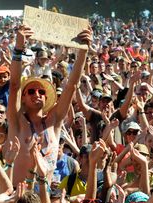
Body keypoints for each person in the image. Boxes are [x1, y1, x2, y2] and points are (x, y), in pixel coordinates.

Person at [7, 26, 92, 185]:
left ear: (46, 98)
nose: (37, 94)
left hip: (47, 200)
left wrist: (83, 51)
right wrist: (18, 48)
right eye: (31, 91)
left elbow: (71, 85)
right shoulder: (17, 121)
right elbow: (14, 86)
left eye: (41, 92)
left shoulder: (54, 122)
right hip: (18, 199)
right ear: (23, 98)